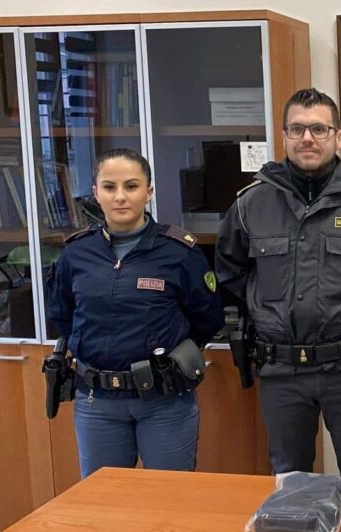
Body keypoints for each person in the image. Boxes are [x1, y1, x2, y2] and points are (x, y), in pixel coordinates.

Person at [215, 88, 341, 480]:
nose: (307, 138)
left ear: (338, 137)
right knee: (291, 480)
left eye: (319, 129)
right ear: (284, 136)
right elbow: (230, 273)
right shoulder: (250, 206)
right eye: (297, 129)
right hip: (280, 369)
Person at [46, 148, 225, 478]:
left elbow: (208, 317)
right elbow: (62, 314)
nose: (120, 197)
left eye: (131, 186)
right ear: (95, 192)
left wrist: (170, 354)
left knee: (167, 497)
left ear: (149, 191)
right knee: (105, 499)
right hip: (97, 401)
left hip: (163, 399)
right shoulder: (76, 253)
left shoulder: (179, 252)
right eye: (109, 187)